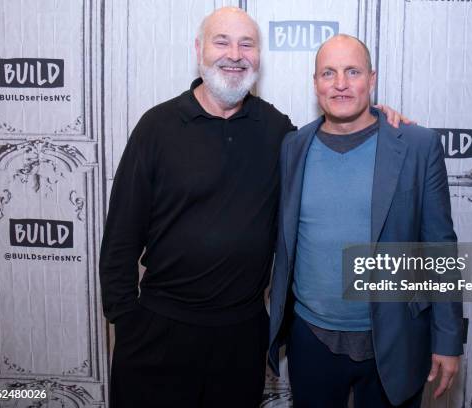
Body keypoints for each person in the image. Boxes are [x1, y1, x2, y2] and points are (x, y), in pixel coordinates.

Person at [99, 7, 408, 408]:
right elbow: (120, 239)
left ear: (259, 57)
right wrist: (129, 322)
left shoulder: (278, 130)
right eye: (222, 41)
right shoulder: (156, 127)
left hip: (242, 337)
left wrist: (381, 120)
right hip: (160, 332)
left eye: (247, 44)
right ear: (199, 50)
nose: (235, 54)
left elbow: (338, 139)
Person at [268, 34, 463, 408]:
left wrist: (448, 340)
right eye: (329, 73)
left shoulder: (418, 146)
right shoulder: (293, 147)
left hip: (395, 339)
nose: (340, 83)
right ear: (315, 83)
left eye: (352, 71)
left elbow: (441, 248)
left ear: (371, 79)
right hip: (311, 339)